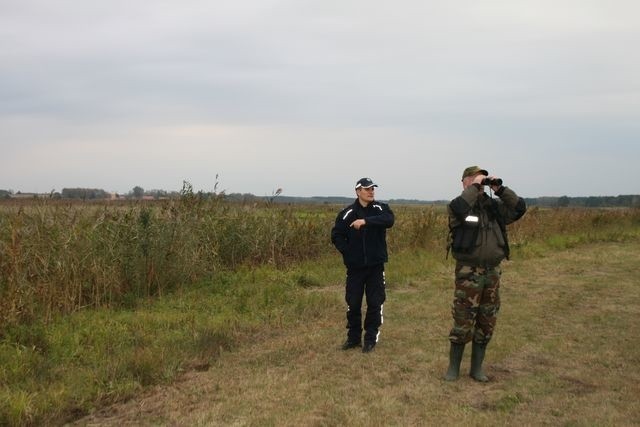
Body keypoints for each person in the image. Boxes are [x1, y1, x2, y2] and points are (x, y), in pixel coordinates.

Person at [444, 166, 527, 381]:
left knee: (487, 320)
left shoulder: (493, 207)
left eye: (481, 180)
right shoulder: (458, 206)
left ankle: (477, 368)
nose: (480, 184)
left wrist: (500, 189)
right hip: (468, 271)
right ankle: (453, 368)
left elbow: (519, 209)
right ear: (465, 182)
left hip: (492, 271)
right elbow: (461, 207)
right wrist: (475, 185)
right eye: (473, 180)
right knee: (463, 319)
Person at [331, 177, 395, 353]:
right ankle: (353, 339)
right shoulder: (347, 213)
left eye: (373, 188)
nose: (371, 191)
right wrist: (348, 252)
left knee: (375, 303)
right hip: (355, 268)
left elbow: (389, 220)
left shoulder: (381, 209)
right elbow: (336, 235)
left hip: (375, 266)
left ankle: (370, 339)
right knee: (353, 303)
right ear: (358, 191)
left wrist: (366, 222)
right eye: (367, 189)